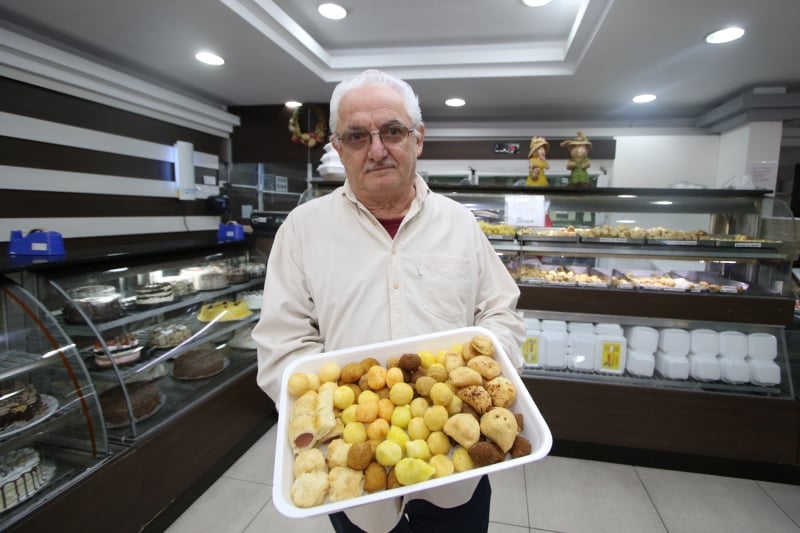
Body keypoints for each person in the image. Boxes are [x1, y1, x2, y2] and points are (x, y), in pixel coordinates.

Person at [253, 69, 526, 533]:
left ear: (418, 138)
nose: (377, 150)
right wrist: (331, 419)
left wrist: (485, 381)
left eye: (393, 131)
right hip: (356, 477)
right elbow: (283, 344)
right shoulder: (302, 231)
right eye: (357, 136)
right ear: (338, 148)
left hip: (459, 463)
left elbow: (500, 312)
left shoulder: (459, 224)